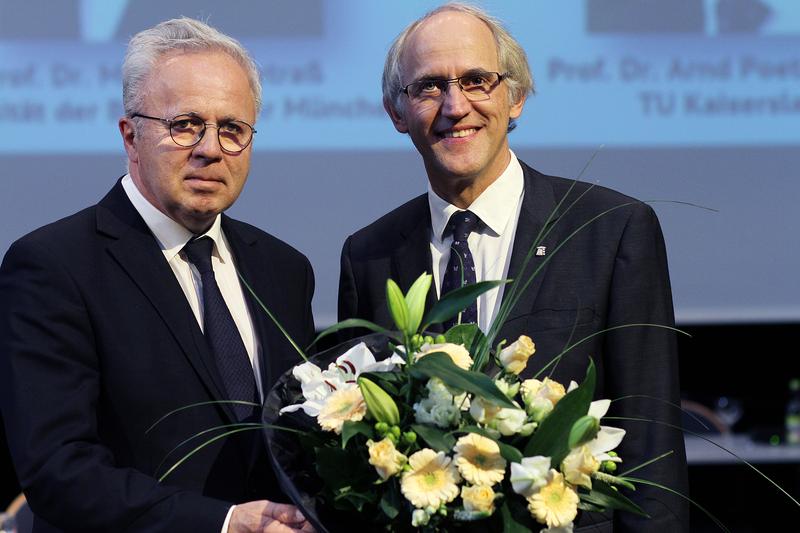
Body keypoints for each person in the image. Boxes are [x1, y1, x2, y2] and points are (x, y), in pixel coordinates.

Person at [338, 3, 689, 531]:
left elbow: (651, 442)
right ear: (396, 111)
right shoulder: (368, 255)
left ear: (516, 97)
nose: (456, 106)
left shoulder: (611, 229)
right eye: (429, 86)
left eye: (478, 80)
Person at [0, 18, 315, 533]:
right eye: (185, 124)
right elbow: (59, 473)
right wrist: (223, 523)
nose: (210, 149)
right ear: (131, 136)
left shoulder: (284, 269)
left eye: (232, 129)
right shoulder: (52, 266)